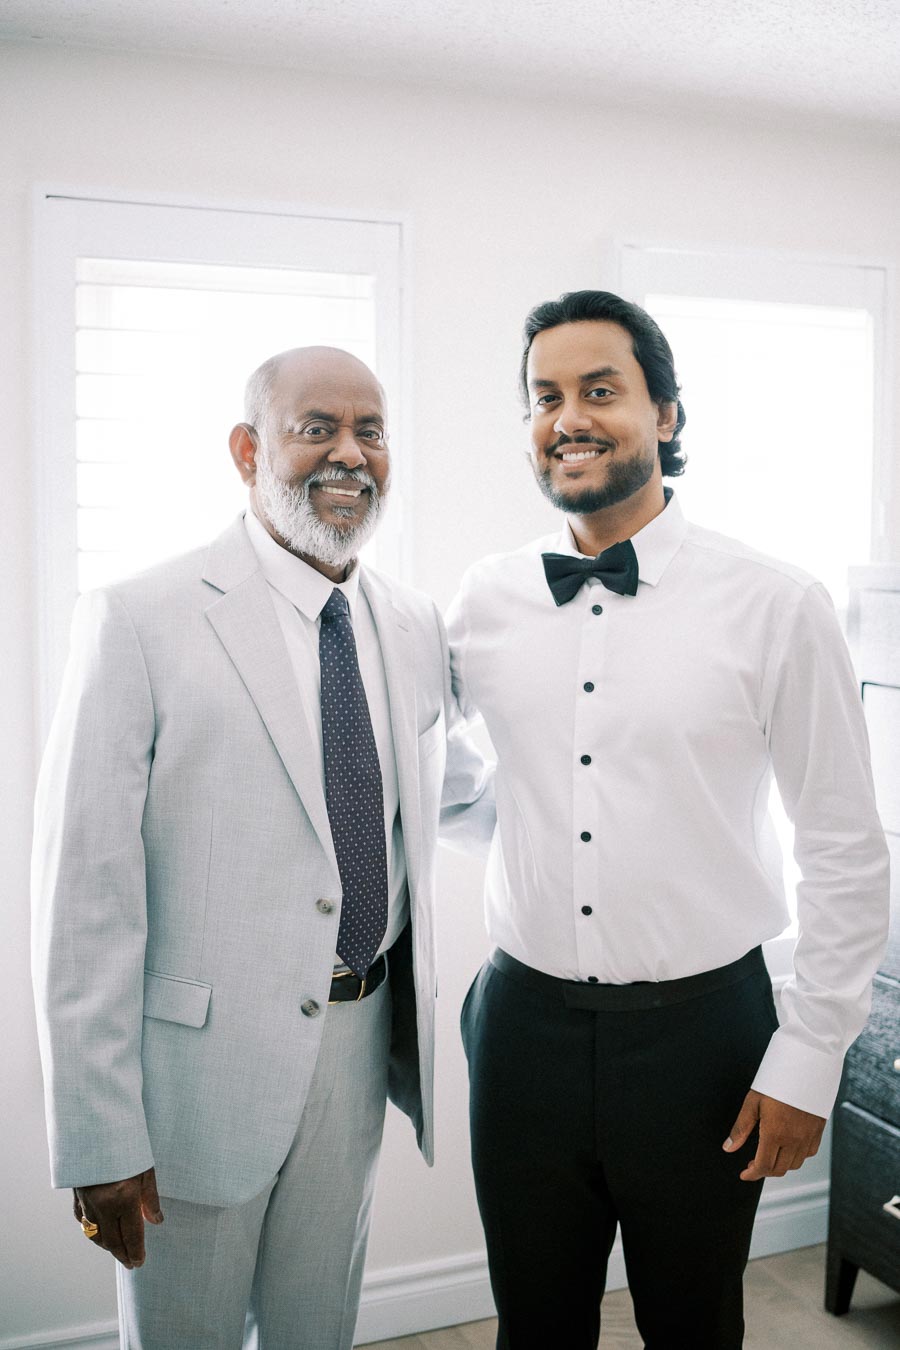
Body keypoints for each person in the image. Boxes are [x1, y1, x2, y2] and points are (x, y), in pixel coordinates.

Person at [447, 291, 890, 1349]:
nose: (571, 417)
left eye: (602, 390)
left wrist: (809, 1056)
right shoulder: (484, 599)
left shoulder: (777, 604)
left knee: (695, 1326)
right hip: (520, 1031)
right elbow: (446, 782)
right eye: (545, 397)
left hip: (706, 1040)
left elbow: (843, 845)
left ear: (669, 415)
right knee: (533, 1327)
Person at [31, 346, 494, 1350]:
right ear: (249, 450)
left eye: (370, 431)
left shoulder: (412, 624)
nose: (349, 454)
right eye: (314, 427)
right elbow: (85, 896)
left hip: (362, 1044)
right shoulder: (140, 619)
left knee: (315, 1327)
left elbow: (450, 796)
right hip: (195, 1076)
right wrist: (100, 1137)